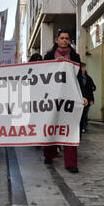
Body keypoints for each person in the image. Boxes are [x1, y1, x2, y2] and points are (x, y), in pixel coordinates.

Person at [42, 29, 88, 174]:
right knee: (52, 124)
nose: (64, 40)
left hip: (70, 96)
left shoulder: (75, 56)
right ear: (57, 40)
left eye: (67, 38)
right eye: (61, 38)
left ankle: (71, 163)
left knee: (71, 128)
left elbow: (80, 78)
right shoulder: (48, 56)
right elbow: (42, 76)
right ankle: (49, 154)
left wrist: (83, 96)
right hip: (52, 96)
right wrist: (54, 64)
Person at [79, 62, 96, 133]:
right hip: (80, 98)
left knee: (85, 114)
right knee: (80, 114)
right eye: (82, 67)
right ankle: (81, 127)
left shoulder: (88, 78)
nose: (83, 69)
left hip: (88, 99)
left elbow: (93, 87)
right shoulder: (77, 77)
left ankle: (83, 126)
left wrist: (91, 99)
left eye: (84, 67)